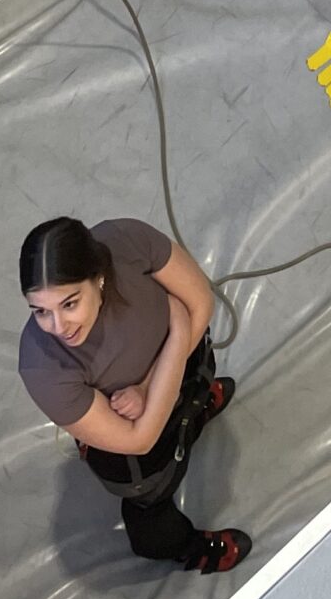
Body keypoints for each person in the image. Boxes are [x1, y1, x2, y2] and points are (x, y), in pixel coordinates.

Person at [18, 214, 251, 575]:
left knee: (189, 404)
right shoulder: (42, 367)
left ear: (99, 277)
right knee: (150, 501)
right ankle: (179, 548)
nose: (58, 327)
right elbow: (139, 440)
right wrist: (177, 333)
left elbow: (202, 303)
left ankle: (195, 413)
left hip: (182, 374)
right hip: (139, 448)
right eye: (40, 312)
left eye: (70, 303)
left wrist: (147, 387)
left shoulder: (126, 239)